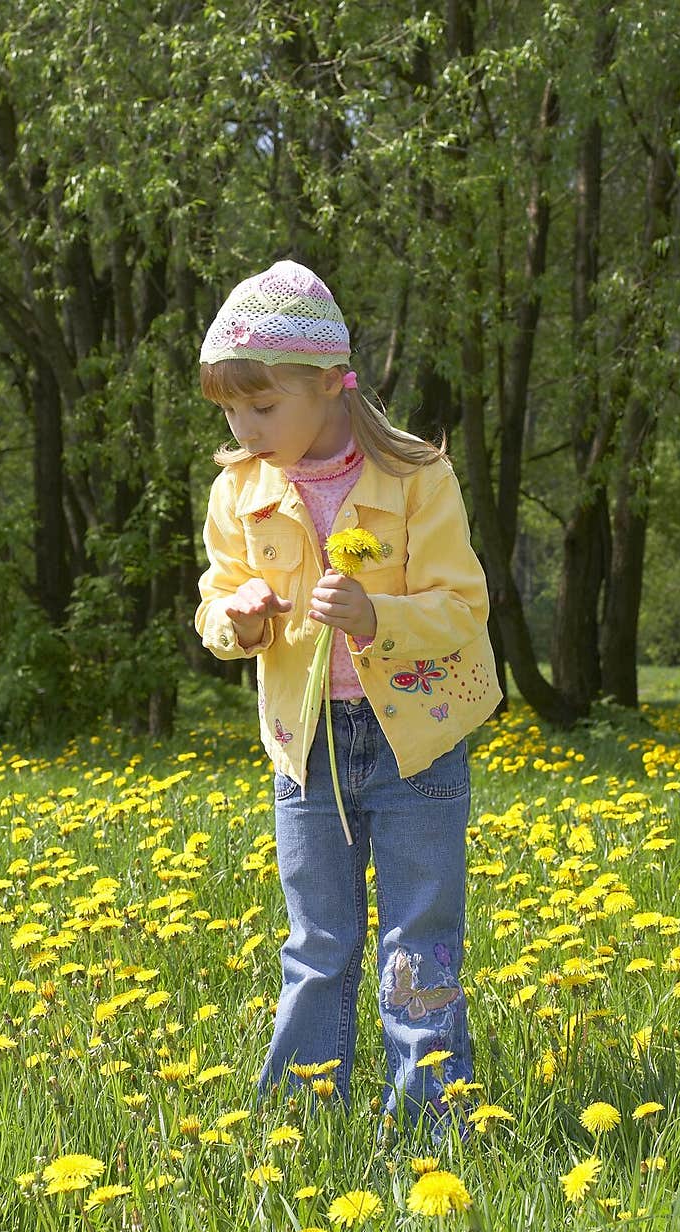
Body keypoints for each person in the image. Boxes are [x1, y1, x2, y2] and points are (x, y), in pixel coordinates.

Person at [194, 259, 502, 1141]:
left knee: (423, 933)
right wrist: (239, 623)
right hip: (307, 744)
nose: (243, 428)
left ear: (331, 383)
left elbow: (462, 606)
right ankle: (301, 1120)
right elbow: (217, 598)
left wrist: (378, 616)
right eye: (229, 410)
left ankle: (433, 1118)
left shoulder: (416, 477)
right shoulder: (238, 492)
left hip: (418, 743)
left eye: (262, 407)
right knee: (317, 941)